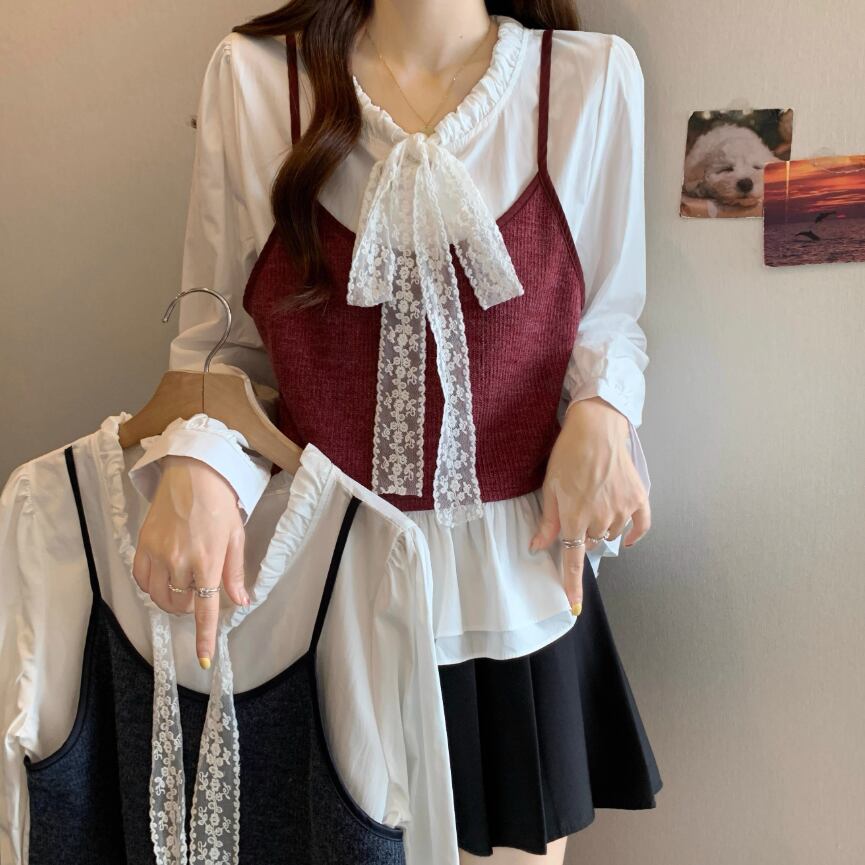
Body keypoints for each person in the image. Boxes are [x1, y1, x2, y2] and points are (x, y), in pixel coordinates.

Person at [128, 2, 663, 862]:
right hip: (315, 597)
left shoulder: (587, 78)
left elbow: (607, 316)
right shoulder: (257, 80)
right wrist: (200, 460)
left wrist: (603, 411)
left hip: (513, 594)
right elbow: (219, 351)